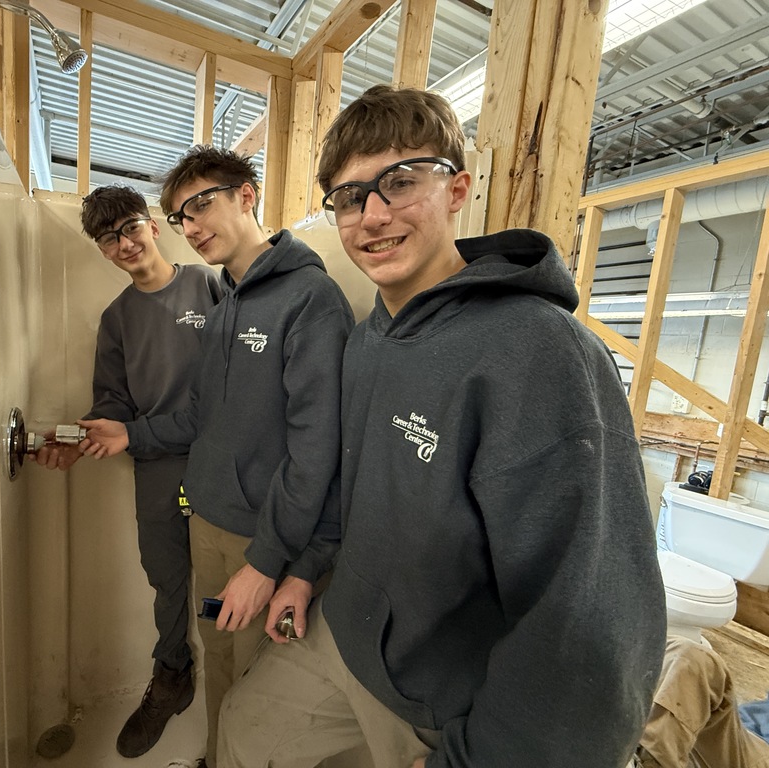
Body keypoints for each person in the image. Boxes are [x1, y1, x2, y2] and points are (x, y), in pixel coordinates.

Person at [217, 84, 667, 768]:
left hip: (448, 705)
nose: (372, 215)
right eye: (348, 196)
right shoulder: (370, 340)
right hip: (349, 638)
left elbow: (584, 627)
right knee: (243, 733)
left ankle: (675, 725)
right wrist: (304, 572)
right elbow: (349, 478)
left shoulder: (541, 355)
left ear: (457, 190)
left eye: (399, 183)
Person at [81, 146, 354, 767]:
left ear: (247, 194)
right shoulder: (227, 300)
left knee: (263, 686)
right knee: (221, 657)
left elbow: (320, 450)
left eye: (202, 204)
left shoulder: (310, 300)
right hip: (207, 525)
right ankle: (213, 756)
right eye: (182, 214)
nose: (193, 224)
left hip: (262, 542)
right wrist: (132, 437)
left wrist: (268, 561)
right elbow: (202, 415)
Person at [35, 184, 222, 759]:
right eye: (109, 238)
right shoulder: (116, 319)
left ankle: (239, 689)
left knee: (225, 579)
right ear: (101, 250)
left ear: (154, 227)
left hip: (219, 461)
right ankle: (172, 675)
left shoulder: (211, 285)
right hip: (158, 467)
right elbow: (113, 400)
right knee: (166, 575)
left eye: (131, 228)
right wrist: (84, 435)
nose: (124, 243)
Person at [632, 635, 769, 768]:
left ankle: (646, 758)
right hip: (720, 739)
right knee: (684, 656)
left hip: (754, 752)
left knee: (695, 658)